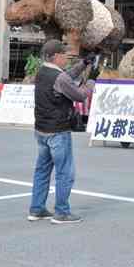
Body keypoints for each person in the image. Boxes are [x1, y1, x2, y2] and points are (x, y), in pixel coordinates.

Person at [28, 39, 94, 224]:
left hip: (41, 129)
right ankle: (62, 212)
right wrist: (90, 83)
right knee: (65, 172)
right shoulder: (60, 78)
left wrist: (83, 64)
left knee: (42, 170)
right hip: (58, 130)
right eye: (65, 55)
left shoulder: (41, 72)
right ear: (56, 56)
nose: (67, 58)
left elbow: (66, 76)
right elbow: (79, 95)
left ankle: (37, 208)